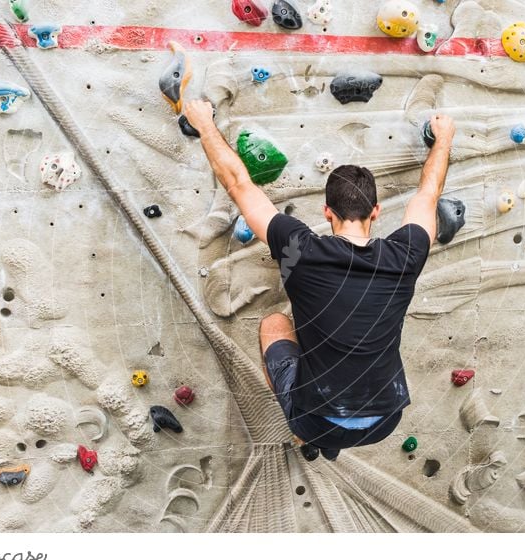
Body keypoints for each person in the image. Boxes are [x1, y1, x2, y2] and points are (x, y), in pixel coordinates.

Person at [183, 100, 455, 461]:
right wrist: (443, 140)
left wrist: (204, 124)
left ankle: (310, 437)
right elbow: (428, 194)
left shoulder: (301, 249)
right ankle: (326, 444)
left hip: (315, 420)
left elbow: (238, 185)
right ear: (376, 212)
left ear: (327, 212)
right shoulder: (406, 255)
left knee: (275, 323)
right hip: (385, 419)